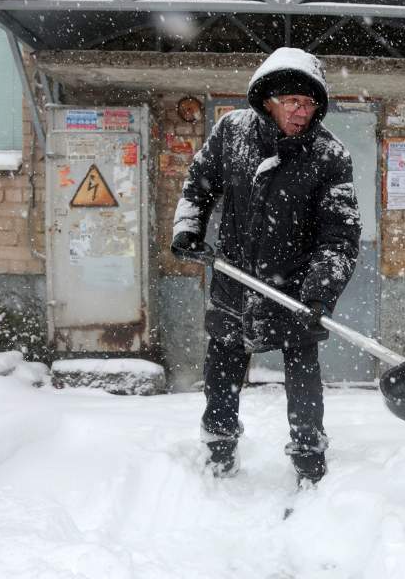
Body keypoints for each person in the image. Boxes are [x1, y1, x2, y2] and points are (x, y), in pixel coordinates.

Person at [170, 47, 361, 484]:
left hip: (293, 290)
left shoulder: (329, 156)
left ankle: (309, 462)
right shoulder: (231, 133)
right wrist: (188, 228)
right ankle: (219, 451)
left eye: (310, 104)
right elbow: (198, 185)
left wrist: (319, 291)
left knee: (304, 379)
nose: (302, 112)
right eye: (293, 101)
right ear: (268, 100)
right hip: (234, 282)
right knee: (221, 370)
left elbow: (340, 235)